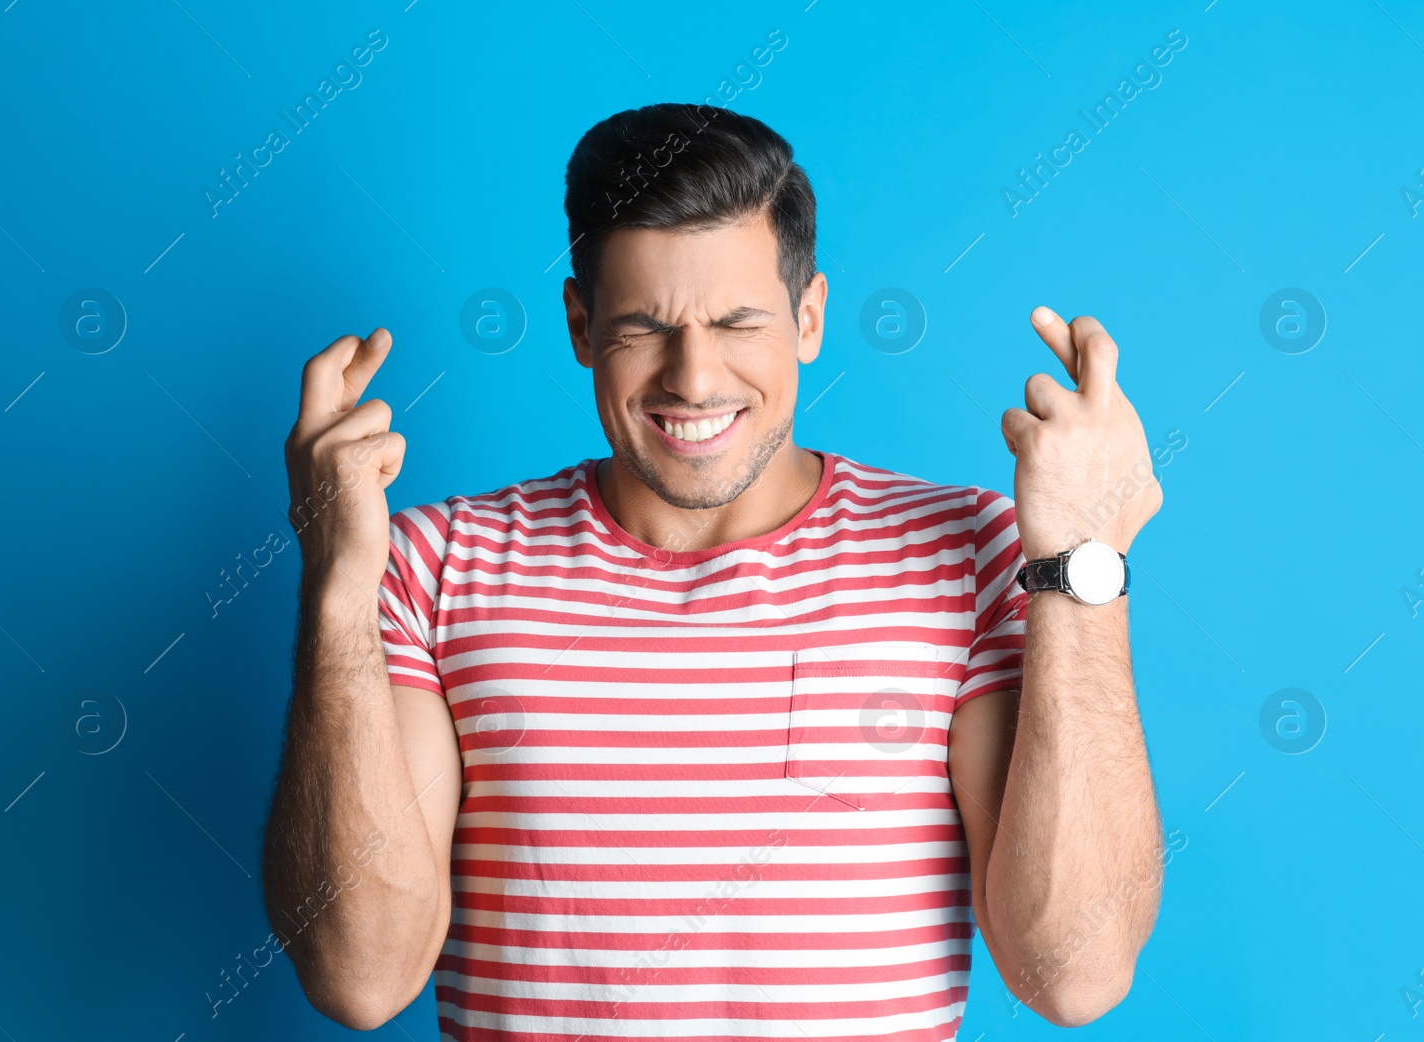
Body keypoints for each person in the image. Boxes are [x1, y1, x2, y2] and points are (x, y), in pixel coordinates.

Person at [262, 102, 1166, 1039]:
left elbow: (1076, 972)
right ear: (580, 326)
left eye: (737, 323)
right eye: (644, 327)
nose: (692, 379)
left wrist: (1082, 559)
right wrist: (335, 582)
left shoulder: (971, 554)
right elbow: (359, 977)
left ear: (809, 317)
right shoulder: (430, 569)